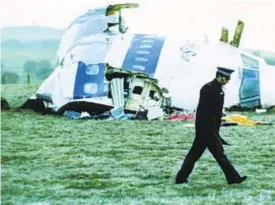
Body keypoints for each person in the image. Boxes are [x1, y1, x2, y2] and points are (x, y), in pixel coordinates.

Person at [175, 67, 247, 185]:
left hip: (209, 129)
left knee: (194, 155)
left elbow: (215, 111)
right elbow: (203, 112)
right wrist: (208, 130)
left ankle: (181, 178)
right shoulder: (209, 89)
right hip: (207, 129)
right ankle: (234, 179)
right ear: (219, 76)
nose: (228, 80)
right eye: (227, 78)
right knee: (219, 155)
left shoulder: (216, 89)